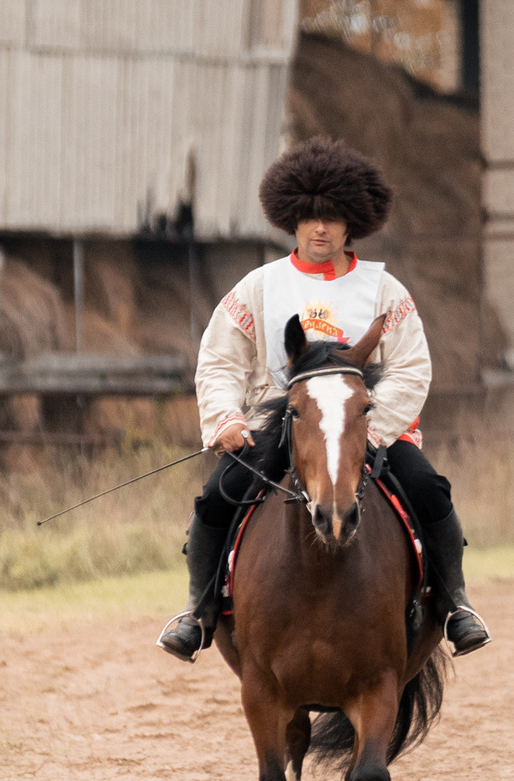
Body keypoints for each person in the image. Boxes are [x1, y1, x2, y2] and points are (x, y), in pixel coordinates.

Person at [157, 138, 492, 663]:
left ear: (351, 223)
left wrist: (367, 432)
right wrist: (226, 418)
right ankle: (198, 611)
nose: (320, 229)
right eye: (310, 217)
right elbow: (220, 360)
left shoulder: (386, 292)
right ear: (291, 217)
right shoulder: (259, 288)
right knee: (217, 498)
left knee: (430, 489)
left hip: (367, 430)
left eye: (332, 218)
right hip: (281, 426)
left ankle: (454, 605)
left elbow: (410, 368)